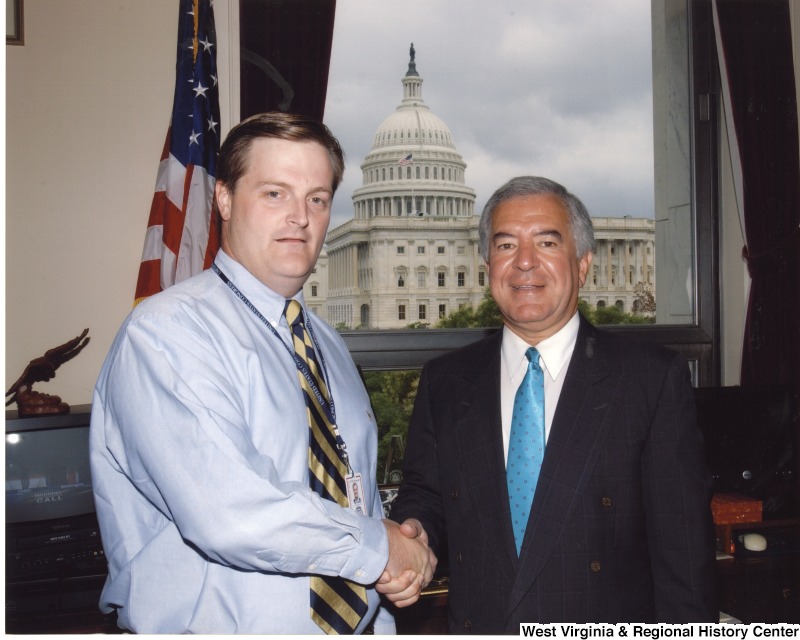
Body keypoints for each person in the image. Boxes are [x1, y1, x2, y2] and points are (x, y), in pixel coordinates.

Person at [90, 112, 434, 634]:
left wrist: (390, 559)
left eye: (317, 198)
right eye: (275, 193)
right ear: (224, 199)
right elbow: (230, 512)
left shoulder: (328, 344)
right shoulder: (165, 333)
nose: (300, 217)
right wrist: (379, 546)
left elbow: (351, 492)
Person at [388, 176, 718, 632]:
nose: (524, 262)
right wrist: (415, 535)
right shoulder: (445, 381)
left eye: (545, 242)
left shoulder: (650, 380)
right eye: (506, 246)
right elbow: (428, 495)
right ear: (488, 266)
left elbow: (684, 557)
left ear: (582, 265)